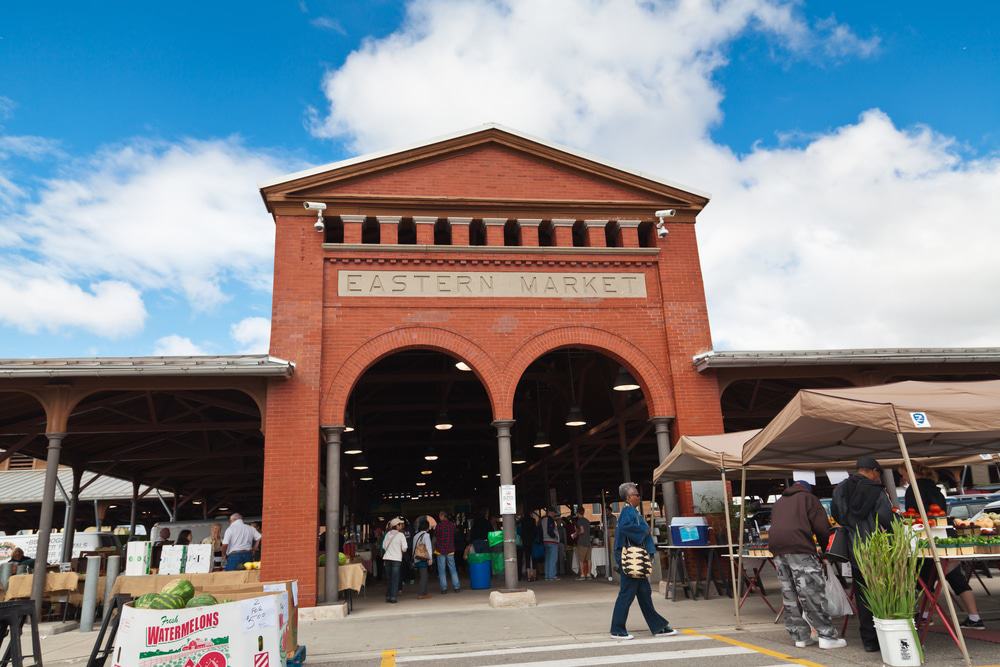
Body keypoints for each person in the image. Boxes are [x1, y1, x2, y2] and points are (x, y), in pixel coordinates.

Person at [899, 465, 985, 630]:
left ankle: (924, 616)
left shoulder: (914, 489)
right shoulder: (936, 488)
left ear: (911, 473)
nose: (903, 479)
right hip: (945, 537)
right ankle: (975, 618)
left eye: (903, 475)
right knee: (956, 578)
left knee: (924, 579)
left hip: (927, 539)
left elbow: (913, 515)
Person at [768, 478, 847, 649]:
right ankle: (827, 636)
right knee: (811, 591)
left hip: (778, 550)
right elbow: (821, 527)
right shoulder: (808, 498)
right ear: (807, 489)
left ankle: (800, 636)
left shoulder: (779, 502)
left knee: (790, 594)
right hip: (799, 548)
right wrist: (827, 550)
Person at [832, 457, 894, 653]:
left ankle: (869, 640)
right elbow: (886, 518)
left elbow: (837, 514)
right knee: (883, 592)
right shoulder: (877, 491)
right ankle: (887, 637)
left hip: (854, 547)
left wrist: (851, 525)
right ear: (874, 471)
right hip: (876, 547)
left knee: (862, 594)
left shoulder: (840, 488)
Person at [610, 482, 675, 640]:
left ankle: (658, 626)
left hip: (635, 560)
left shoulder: (631, 511)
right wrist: (644, 530)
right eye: (636, 495)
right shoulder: (627, 511)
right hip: (632, 560)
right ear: (628, 497)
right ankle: (617, 629)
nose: (639, 497)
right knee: (626, 594)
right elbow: (625, 528)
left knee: (644, 594)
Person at [382, 517, 408, 603]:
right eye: (400, 524)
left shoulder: (387, 534)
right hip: (396, 559)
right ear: (396, 526)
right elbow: (404, 548)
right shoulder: (401, 535)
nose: (401, 526)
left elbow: (384, 547)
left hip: (387, 558)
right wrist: (399, 549)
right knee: (395, 578)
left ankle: (388, 596)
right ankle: (393, 597)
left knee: (389, 578)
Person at [435, 511, 461, 594]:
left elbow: (436, 536)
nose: (439, 517)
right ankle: (456, 587)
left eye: (440, 516)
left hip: (440, 550)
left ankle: (444, 589)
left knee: (442, 570)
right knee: (453, 569)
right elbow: (455, 535)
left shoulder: (438, 526)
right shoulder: (452, 525)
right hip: (450, 549)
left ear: (442, 516)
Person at [412, 517, 434, 599]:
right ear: (427, 527)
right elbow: (428, 547)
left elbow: (414, 548)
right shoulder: (426, 535)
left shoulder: (415, 536)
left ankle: (425, 593)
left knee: (423, 575)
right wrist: (430, 558)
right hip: (423, 558)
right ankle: (421, 594)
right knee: (424, 576)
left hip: (417, 558)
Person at [541, 507, 561, 581]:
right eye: (554, 512)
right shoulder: (550, 520)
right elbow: (550, 530)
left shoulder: (542, 520)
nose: (555, 514)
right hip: (552, 541)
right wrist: (555, 537)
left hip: (545, 540)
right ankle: (552, 576)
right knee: (553, 559)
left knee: (548, 559)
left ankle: (547, 576)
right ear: (551, 512)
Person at [575, 506, 592, 580]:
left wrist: (576, 534)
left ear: (578, 513)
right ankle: (588, 574)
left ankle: (582, 575)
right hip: (588, 542)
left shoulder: (579, 521)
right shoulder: (587, 520)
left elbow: (582, 531)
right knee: (589, 559)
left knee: (581, 560)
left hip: (582, 542)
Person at [519, 508, 536, 579]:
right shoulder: (533, 520)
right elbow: (535, 531)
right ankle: (534, 575)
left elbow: (521, 531)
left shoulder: (522, 521)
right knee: (534, 558)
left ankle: (528, 575)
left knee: (527, 558)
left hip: (525, 542)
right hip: (532, 541)